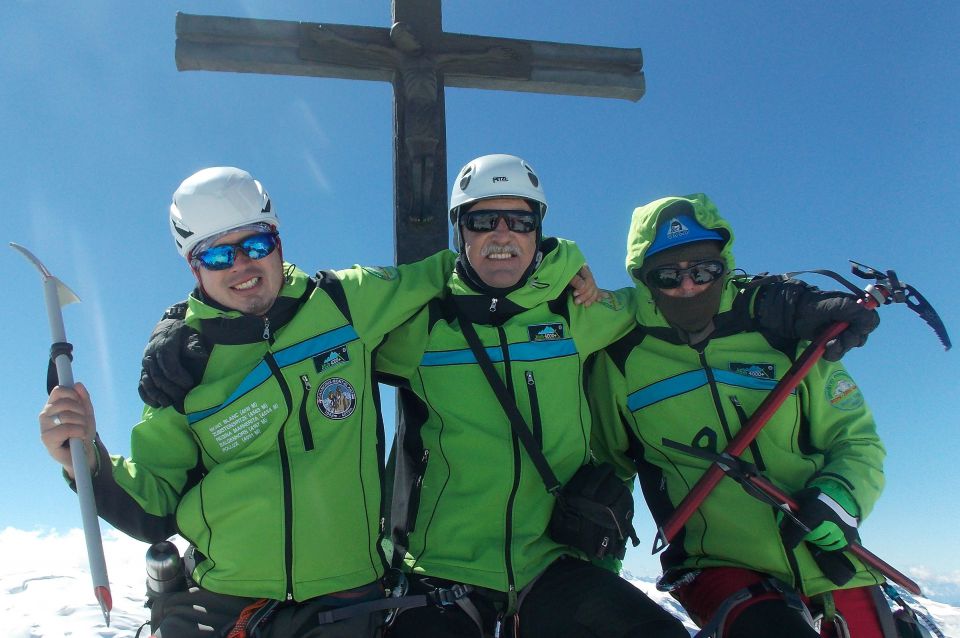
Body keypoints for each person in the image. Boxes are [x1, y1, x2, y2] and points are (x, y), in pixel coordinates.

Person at [137, 160, 880, 637]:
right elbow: (299, 327)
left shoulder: (579, 313)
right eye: (483, 221)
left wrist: (782, 304)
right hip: (443, 571)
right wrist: (181, 328)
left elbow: (679, 303)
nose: (502, 235)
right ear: (460, 233)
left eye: (519, 221)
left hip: (552, 558)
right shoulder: (413, 326)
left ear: (539, 232)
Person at [38, 166, 462, 637]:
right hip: (223, 602)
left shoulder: (345, 303)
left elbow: (454, 270)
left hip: (346, 596)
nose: (242, 265)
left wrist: (560, 270)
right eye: (217, 254)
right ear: (193, 266)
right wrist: (86, 461)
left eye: (256, 244)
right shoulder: (181, 364)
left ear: (278, 239)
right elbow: (154, 504)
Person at [588, 193, 892, 637]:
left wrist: (841, 497)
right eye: (668, 275)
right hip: (715, 566)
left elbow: (855, 438)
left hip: (835, 559)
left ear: (724, 264)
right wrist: (599, 546)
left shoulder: (783, 333)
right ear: (643, 278)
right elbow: (607, 464)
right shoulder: (620, 357)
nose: (688, 286)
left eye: (704, 270)